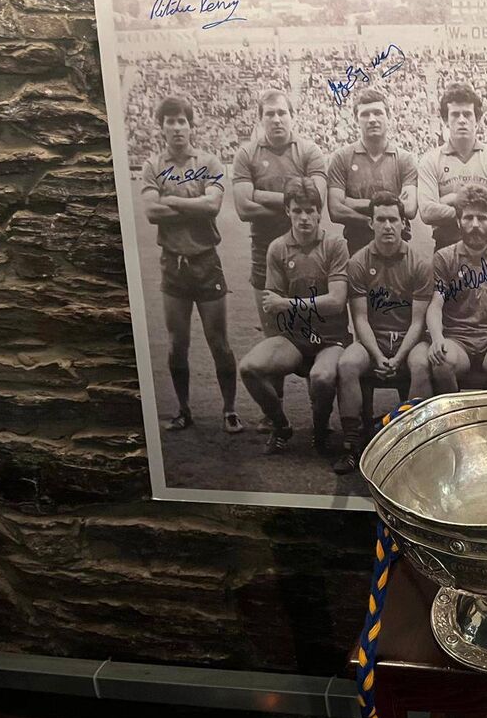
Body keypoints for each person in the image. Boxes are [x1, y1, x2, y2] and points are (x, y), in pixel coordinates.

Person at [140, 95, 242, 435]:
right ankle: (184, 410)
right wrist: (189, 204)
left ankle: (229, 409)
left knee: (219, 342)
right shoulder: (153, 165)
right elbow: (151, 212)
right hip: (173, 265)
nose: (177, 127)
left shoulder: (209, 161)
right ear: (162, 127)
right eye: (170, 121)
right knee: (176, 343)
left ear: (191, 125)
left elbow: (213, 206)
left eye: (182, 120)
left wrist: (169, 200)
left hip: (205, 261)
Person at [238, 178, 349, 460]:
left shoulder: (335, 244)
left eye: (310, 210)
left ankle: (320, 430)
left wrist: (287, 303)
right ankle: (281, 426)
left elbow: (336, 303)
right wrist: (289, 307)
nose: (304, 218)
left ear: (319, 212)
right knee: (250, 368)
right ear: (287, 211)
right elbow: (270, 303)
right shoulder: (277, 248)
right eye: (297, 210)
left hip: (330, 338)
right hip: (295, 338)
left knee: (322, 377)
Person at [337, 191, 433, 458]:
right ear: (371, 223)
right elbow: (359, 319)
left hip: (409, 339)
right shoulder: (357, 262)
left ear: (404, 223)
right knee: (347, 364)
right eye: (381, 219)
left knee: (422, 363)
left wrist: (400, 355)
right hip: (373, 340)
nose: (388, 226)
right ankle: (352, 442)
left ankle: (412, 440)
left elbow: (418, 321)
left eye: (393, 219)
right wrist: (378, 356)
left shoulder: (420, 264)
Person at [427, 184, 487, 392]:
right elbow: (436, 304)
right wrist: (437, 339)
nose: (475, 225)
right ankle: (456, 421)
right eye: (468, 218)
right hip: (457, 338)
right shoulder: (444, 257)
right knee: (442, 362)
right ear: (458, 221)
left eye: (482, 218)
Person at [326, 88, 418, 259]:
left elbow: (411, 208)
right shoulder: (341, 158)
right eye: (365, 114)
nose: (372, 119)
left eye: (378, 113)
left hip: (399, 249)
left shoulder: (404, 159)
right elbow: (335, 210)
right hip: (357, 246)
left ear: (388, 117)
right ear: (355, 119)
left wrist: (352, 202)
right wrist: (385, 215)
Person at [417, 83, 487, 251]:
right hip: (446, 249)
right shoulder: (430, 160)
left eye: (467, 114)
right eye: (455, 115)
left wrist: (450, 199)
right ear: (445, 120)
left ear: (478, 120)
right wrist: (479, 208)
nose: (461, 120)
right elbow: (427, 211)